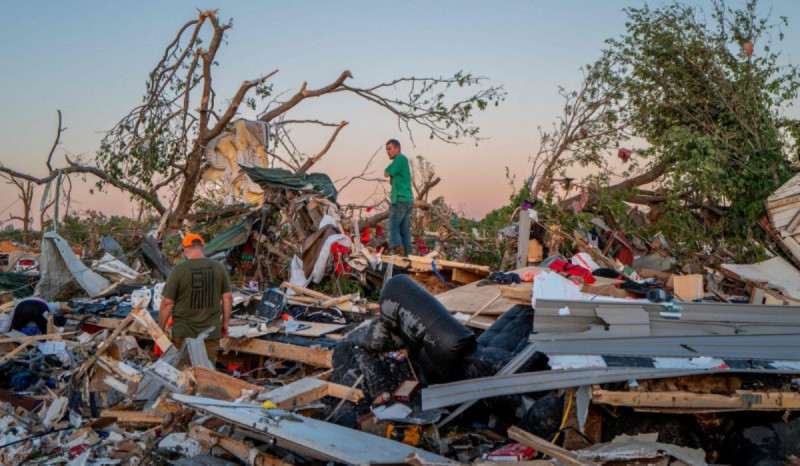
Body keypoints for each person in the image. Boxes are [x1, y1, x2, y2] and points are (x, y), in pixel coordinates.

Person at [158, 233, 232, 365]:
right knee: (207, 373)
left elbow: (167, 303)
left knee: (184, 373)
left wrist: (160, 328)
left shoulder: (178, 270)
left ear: (185, 250)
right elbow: (227, 297)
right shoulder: (219, 268)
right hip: (211, 332)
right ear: (202, 248)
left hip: (184, 333)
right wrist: (225, 323)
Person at [383, 138, 414, 256]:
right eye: (386, 150)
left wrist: (389, 173)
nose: (388, 152)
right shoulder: (403, 160)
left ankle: (398, 252)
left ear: (397, 149)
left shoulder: (399, 158)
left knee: (392, 227)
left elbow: (386, 173)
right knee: (404, 230)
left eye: (390, 149)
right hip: (408, 200)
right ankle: (408, 255)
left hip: (400, 200)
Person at [6, 297, 71, 334]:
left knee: (14, 330)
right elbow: (62, 306)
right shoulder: (49, 306)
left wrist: (4, 332)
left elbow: (8, 323)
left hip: (23, 307)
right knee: (47, 331)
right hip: (39, 307)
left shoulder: (15, 308)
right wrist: (73, 310)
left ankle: (13, 342)